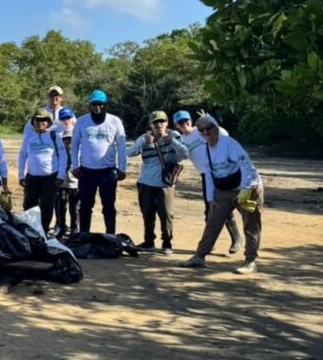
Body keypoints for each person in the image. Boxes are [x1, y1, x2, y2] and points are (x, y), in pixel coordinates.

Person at [180, 115, 264, 274]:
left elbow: (246, 165)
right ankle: (199, 257)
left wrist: (246, 189)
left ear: (216, 128)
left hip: (248, 186)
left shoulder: (228, 144)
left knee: (251, 224)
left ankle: (250, 261)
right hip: (225, 188)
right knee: (213, 221)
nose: (206, 132)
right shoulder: (206, 148)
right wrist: (211, 198)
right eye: (202, 130)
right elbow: (208, 173)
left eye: (209, 128)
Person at [173, 110, 244, 254]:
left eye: (186, 120)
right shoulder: (181, 140)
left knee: (233, 204)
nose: (185, 124)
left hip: (224, 172)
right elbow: (179, 158)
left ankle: (237, 239)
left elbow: (222, 134)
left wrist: (210, 121)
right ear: (176, 125)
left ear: (191, 121)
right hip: (207, 176)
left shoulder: (201, 131)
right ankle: (210, 244)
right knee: (211, 209)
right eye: (181, 122)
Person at [127, 111, 189, 254]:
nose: (159, 125)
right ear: (150, 125)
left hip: (165, 184)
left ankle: (167, 242)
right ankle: (149, 241)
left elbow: (185, 154)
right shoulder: (144, 138)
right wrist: (143, 142)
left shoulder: (174, 136)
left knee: (166, 214)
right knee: (147, 213)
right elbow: (129, 153)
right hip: (146, 182)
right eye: (155, 122)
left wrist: (172, 142)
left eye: (162, 122)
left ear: (167, 123)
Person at [70, 89, 127, 234]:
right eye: (94, 104)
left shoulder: (114, 121)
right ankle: (84, 234)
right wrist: (75, 166)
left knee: (108, 206)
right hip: (86, 172)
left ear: (105, 104)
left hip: (108, 172)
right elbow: (75, 144)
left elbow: (121, 145)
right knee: (85, 206)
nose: (97, 107)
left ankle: (111, 235)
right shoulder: (82, 121)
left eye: (100, 104)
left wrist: (122, 168)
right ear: (90, 104)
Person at [18, 108, 64, 232]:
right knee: (29, 205)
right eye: (37, 120)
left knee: (47, 206)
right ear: (33, 122)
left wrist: (61, 175)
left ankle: (43, 232)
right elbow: (22, 155)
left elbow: (63, 156)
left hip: (50, 177)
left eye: (43, 120)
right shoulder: (28, 137)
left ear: (48, 122)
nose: (40, 123)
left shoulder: (54, 136)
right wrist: (21, 175)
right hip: (32, 177)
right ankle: (30, 231)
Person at [54, 128, 80, 238]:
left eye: (71, 140)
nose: (69, 142)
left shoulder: (79, 153)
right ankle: (61, 227)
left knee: (75, 208)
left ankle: (74, 228)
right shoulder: (59, 153)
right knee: (61, 206)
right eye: (66, 140)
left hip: (75, 184)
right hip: (62, 183)